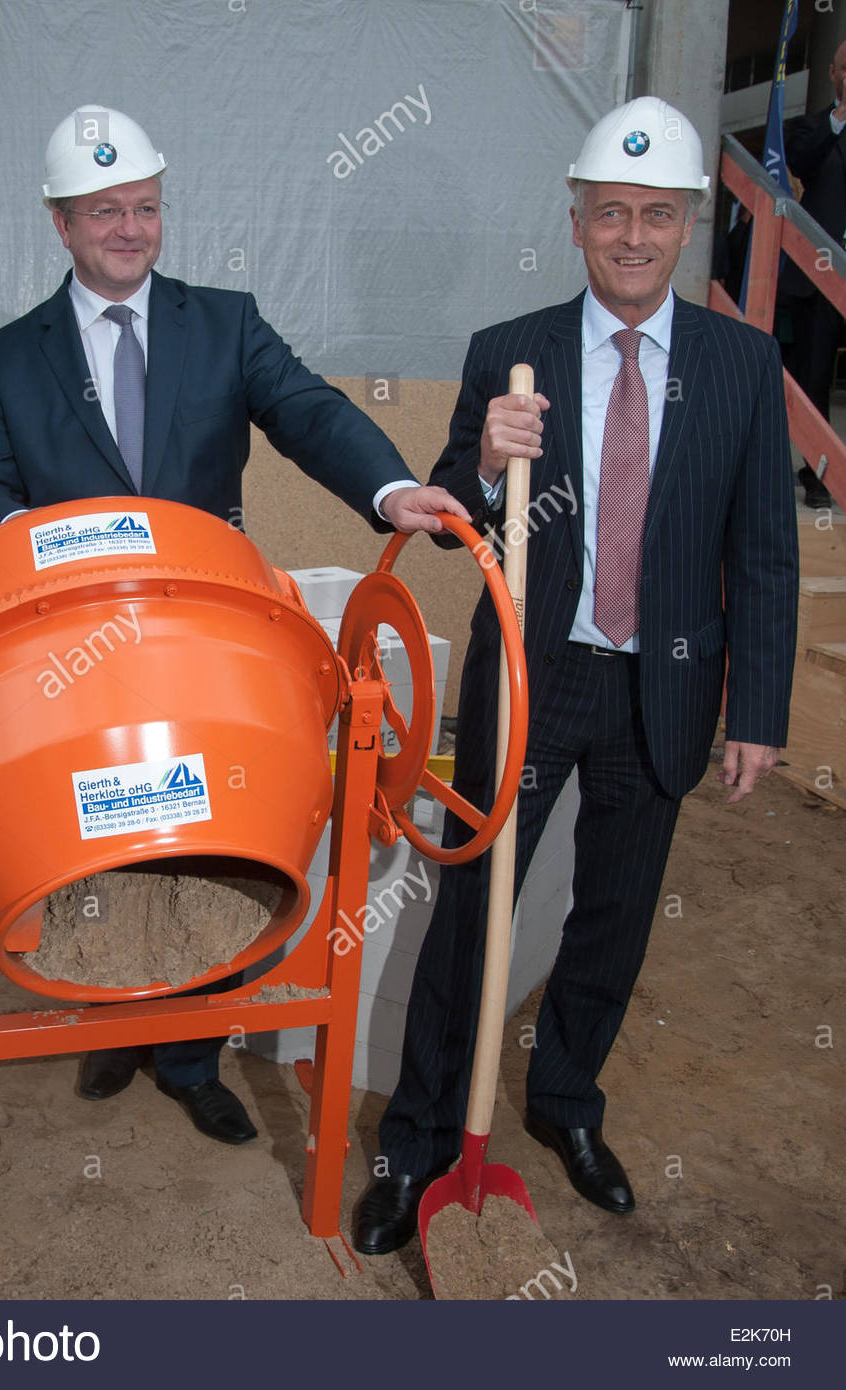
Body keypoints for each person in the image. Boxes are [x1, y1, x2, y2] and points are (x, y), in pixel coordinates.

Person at [0, 104, 466, 1146]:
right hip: (75, 656)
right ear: (61, 222)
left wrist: (391, 487)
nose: (129, 229)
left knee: (206, 829)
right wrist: (59, 551)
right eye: (105, 212)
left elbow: (304, 408)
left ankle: (191, 1053)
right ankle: (112, 1016)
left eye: (144, 208)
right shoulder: (7, 358)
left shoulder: (222, 322)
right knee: (102, 828)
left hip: (203, 649)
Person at [354, 97, 799, 1255]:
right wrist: (479, 454)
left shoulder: (744, 367)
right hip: (530, 675)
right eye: (612, 214)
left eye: (657, 215)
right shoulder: (513, 353)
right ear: (576, 222)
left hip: (666, 685)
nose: (634, 237)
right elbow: (454, 519)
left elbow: (762, 548)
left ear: (688, 223)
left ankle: (563, 1104)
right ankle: (416, 1141)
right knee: (470, 918)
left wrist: (755, 708)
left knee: (612, 913)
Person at [780, 40, 846, 509]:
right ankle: (819, 474)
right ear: (833, 71)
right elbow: (800, 163)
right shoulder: (815, 127)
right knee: (816, 375)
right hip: (820, 277)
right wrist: (840, 118)